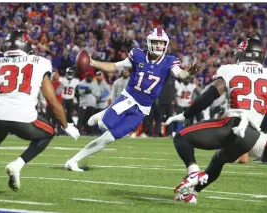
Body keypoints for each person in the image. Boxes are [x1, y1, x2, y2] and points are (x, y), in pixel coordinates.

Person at [65, 28, 200, 171]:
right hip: (127, 99)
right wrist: (92, 62)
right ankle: (104, 115)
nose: (159, 46)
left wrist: (189, 73)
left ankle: (73, 161)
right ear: (149, 43)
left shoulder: (170, 61)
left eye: (162, 43)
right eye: (156, 42)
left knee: (108, 138)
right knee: (103, 124)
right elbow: (115, 66)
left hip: (142, 109)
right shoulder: (138, 54)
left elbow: (181, 74)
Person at [165, 38, 267, 203]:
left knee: (181, 137)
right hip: (252, 136)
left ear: (241, 54)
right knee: (218, 160)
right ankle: (191, 192)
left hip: (232, 126)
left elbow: (209, 97)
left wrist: (187, 114)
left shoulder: (230, 69)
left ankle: (194, 172)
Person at [0, 30, 80, 191]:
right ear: (27, 46)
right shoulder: (40, 62)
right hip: (24, 118)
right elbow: (52, 101)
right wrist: (66, 125)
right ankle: (17, 164)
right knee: (48, 132)